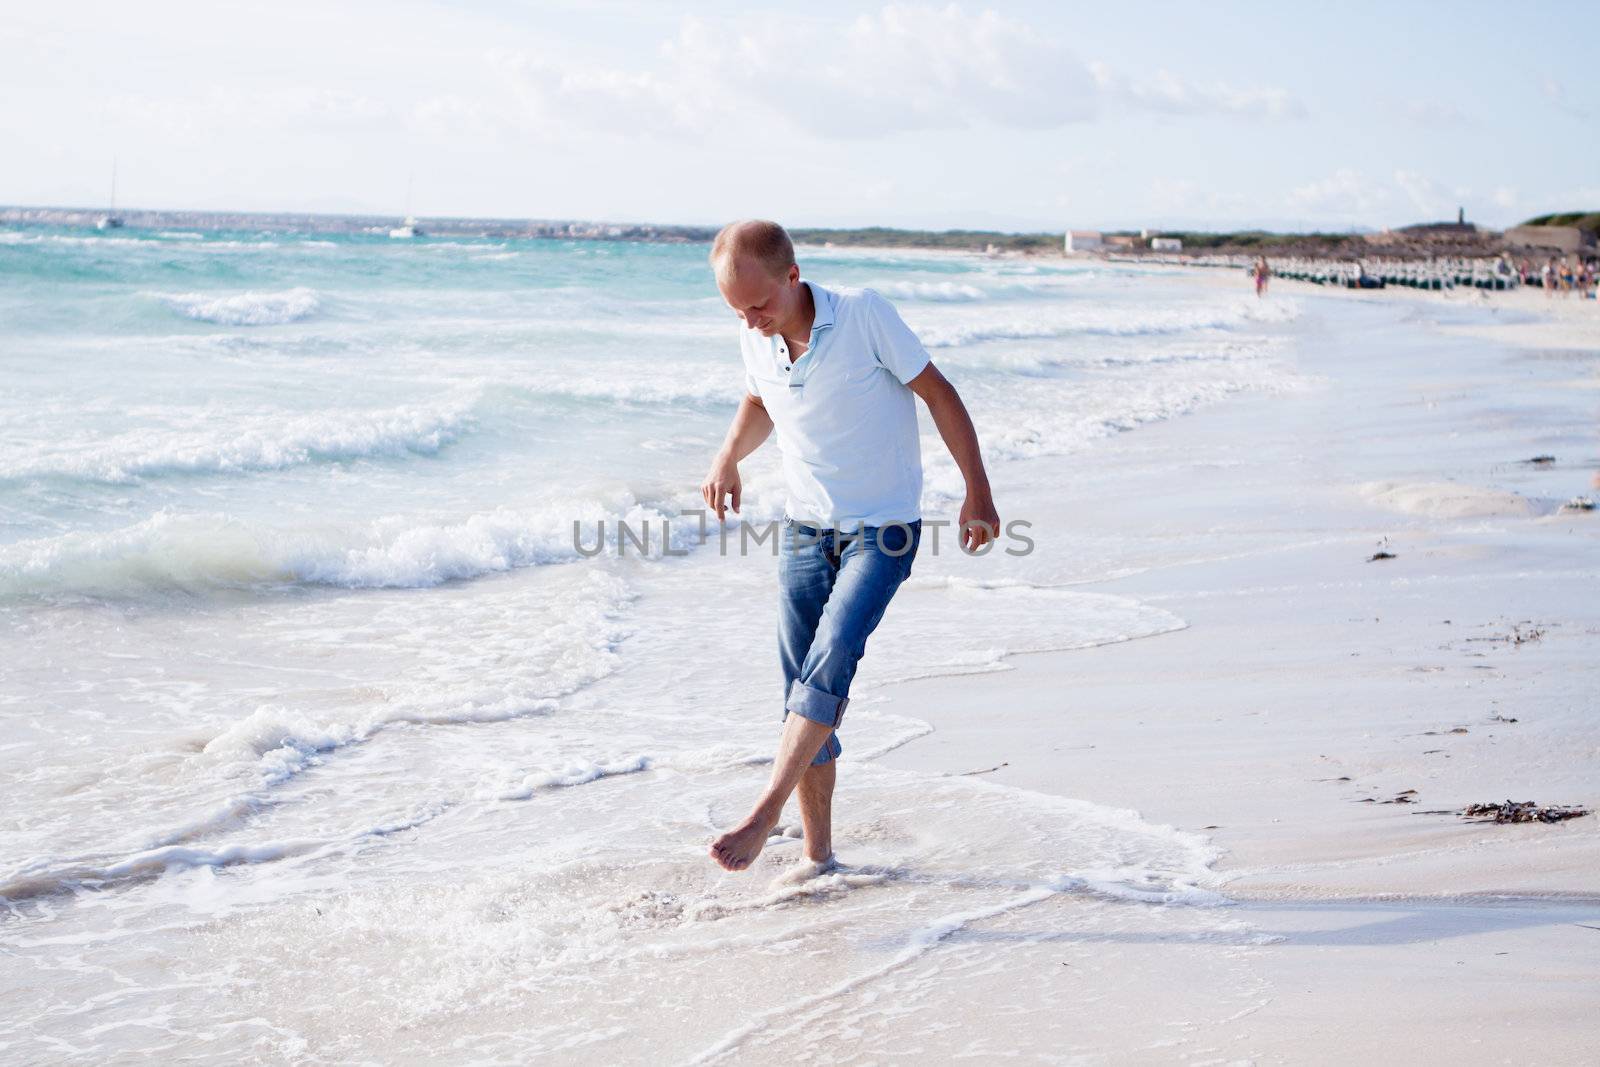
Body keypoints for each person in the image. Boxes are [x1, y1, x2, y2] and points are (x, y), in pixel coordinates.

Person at [699, 220, 998, 875]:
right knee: (801, 690)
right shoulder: (757, 335)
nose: (750, 321)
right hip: (805, 531)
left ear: (793, 276)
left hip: (883, 530)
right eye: (737, 310)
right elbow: (759, 399)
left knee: (831, 659)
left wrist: (977, 490)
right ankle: (819, 855)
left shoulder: (864, 316)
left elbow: (939, 393)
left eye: (759, 305)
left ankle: (765, 810)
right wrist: (727, 457)